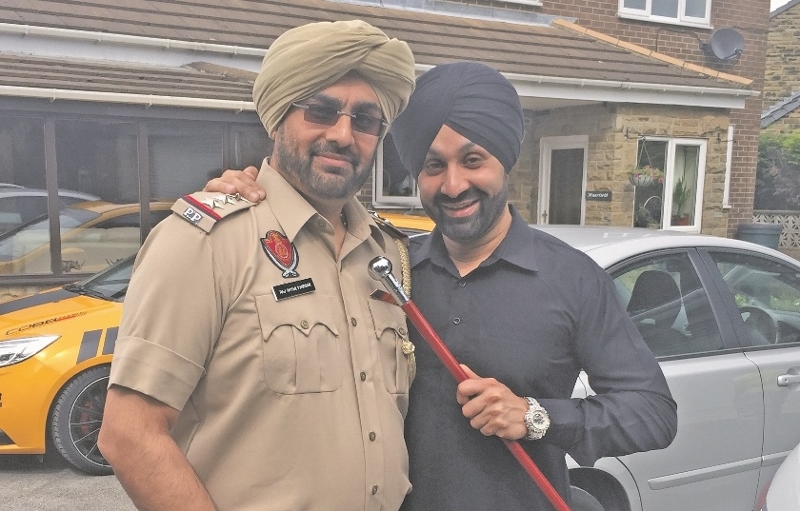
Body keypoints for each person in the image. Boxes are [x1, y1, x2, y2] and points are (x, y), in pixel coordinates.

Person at [206, 61, 678, 510]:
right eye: (433, 166)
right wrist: (256, 194)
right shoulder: (386, 265)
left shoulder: (571, 278)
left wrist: (536, 417)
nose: (453, 185)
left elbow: (653, 414)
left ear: (505, 161)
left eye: (473, 160)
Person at [97, 20, 417, 511]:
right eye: (321, 110)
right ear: (275, 119)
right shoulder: (206, 241)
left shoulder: (386, 254)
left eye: (367, 120)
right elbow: (130, 434)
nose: (343, 134)